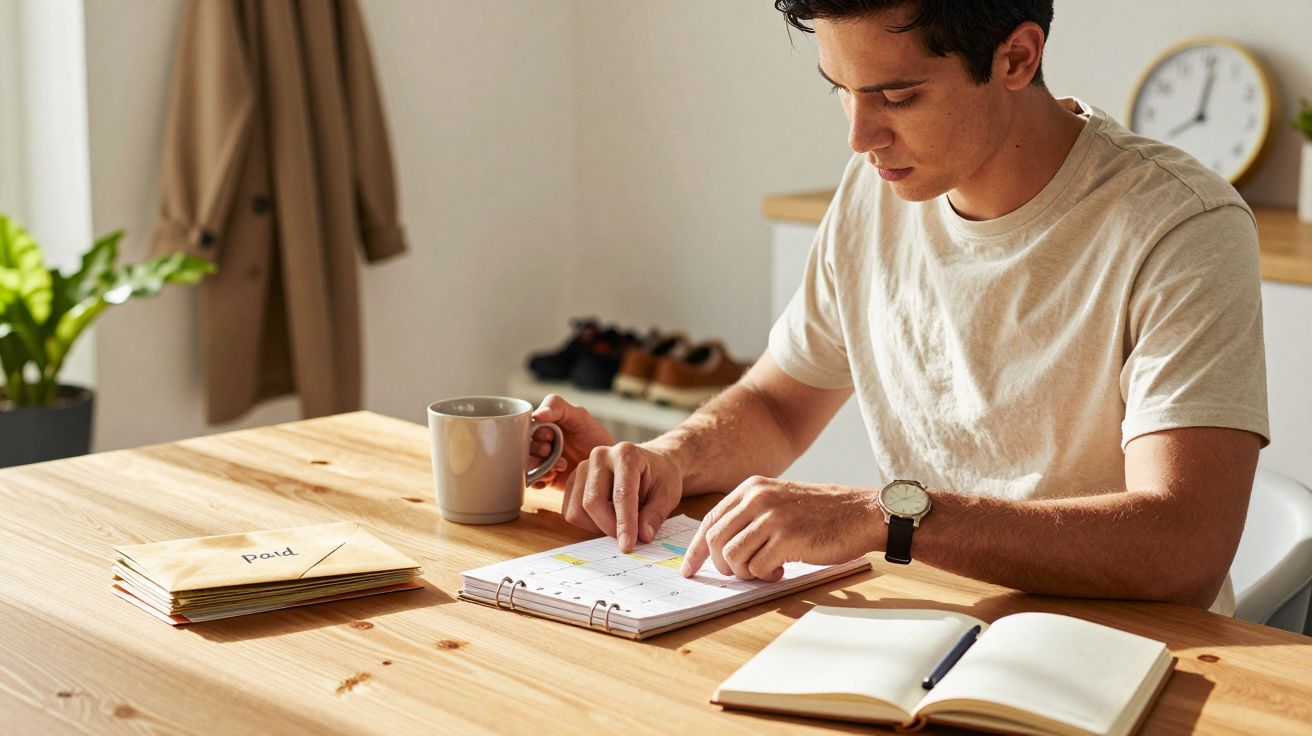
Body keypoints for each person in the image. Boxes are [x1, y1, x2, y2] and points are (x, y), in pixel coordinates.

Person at [526, 0, 1268, 614]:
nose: (860, 137)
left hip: (1130, 659)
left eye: (897, 95)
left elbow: (1183, 548)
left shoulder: (1181, 226)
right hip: (930, 631)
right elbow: (780, 407)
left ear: (1016, 58)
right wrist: (666, 462)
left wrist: (884, 516)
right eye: (840, 89)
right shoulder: (874, 190)